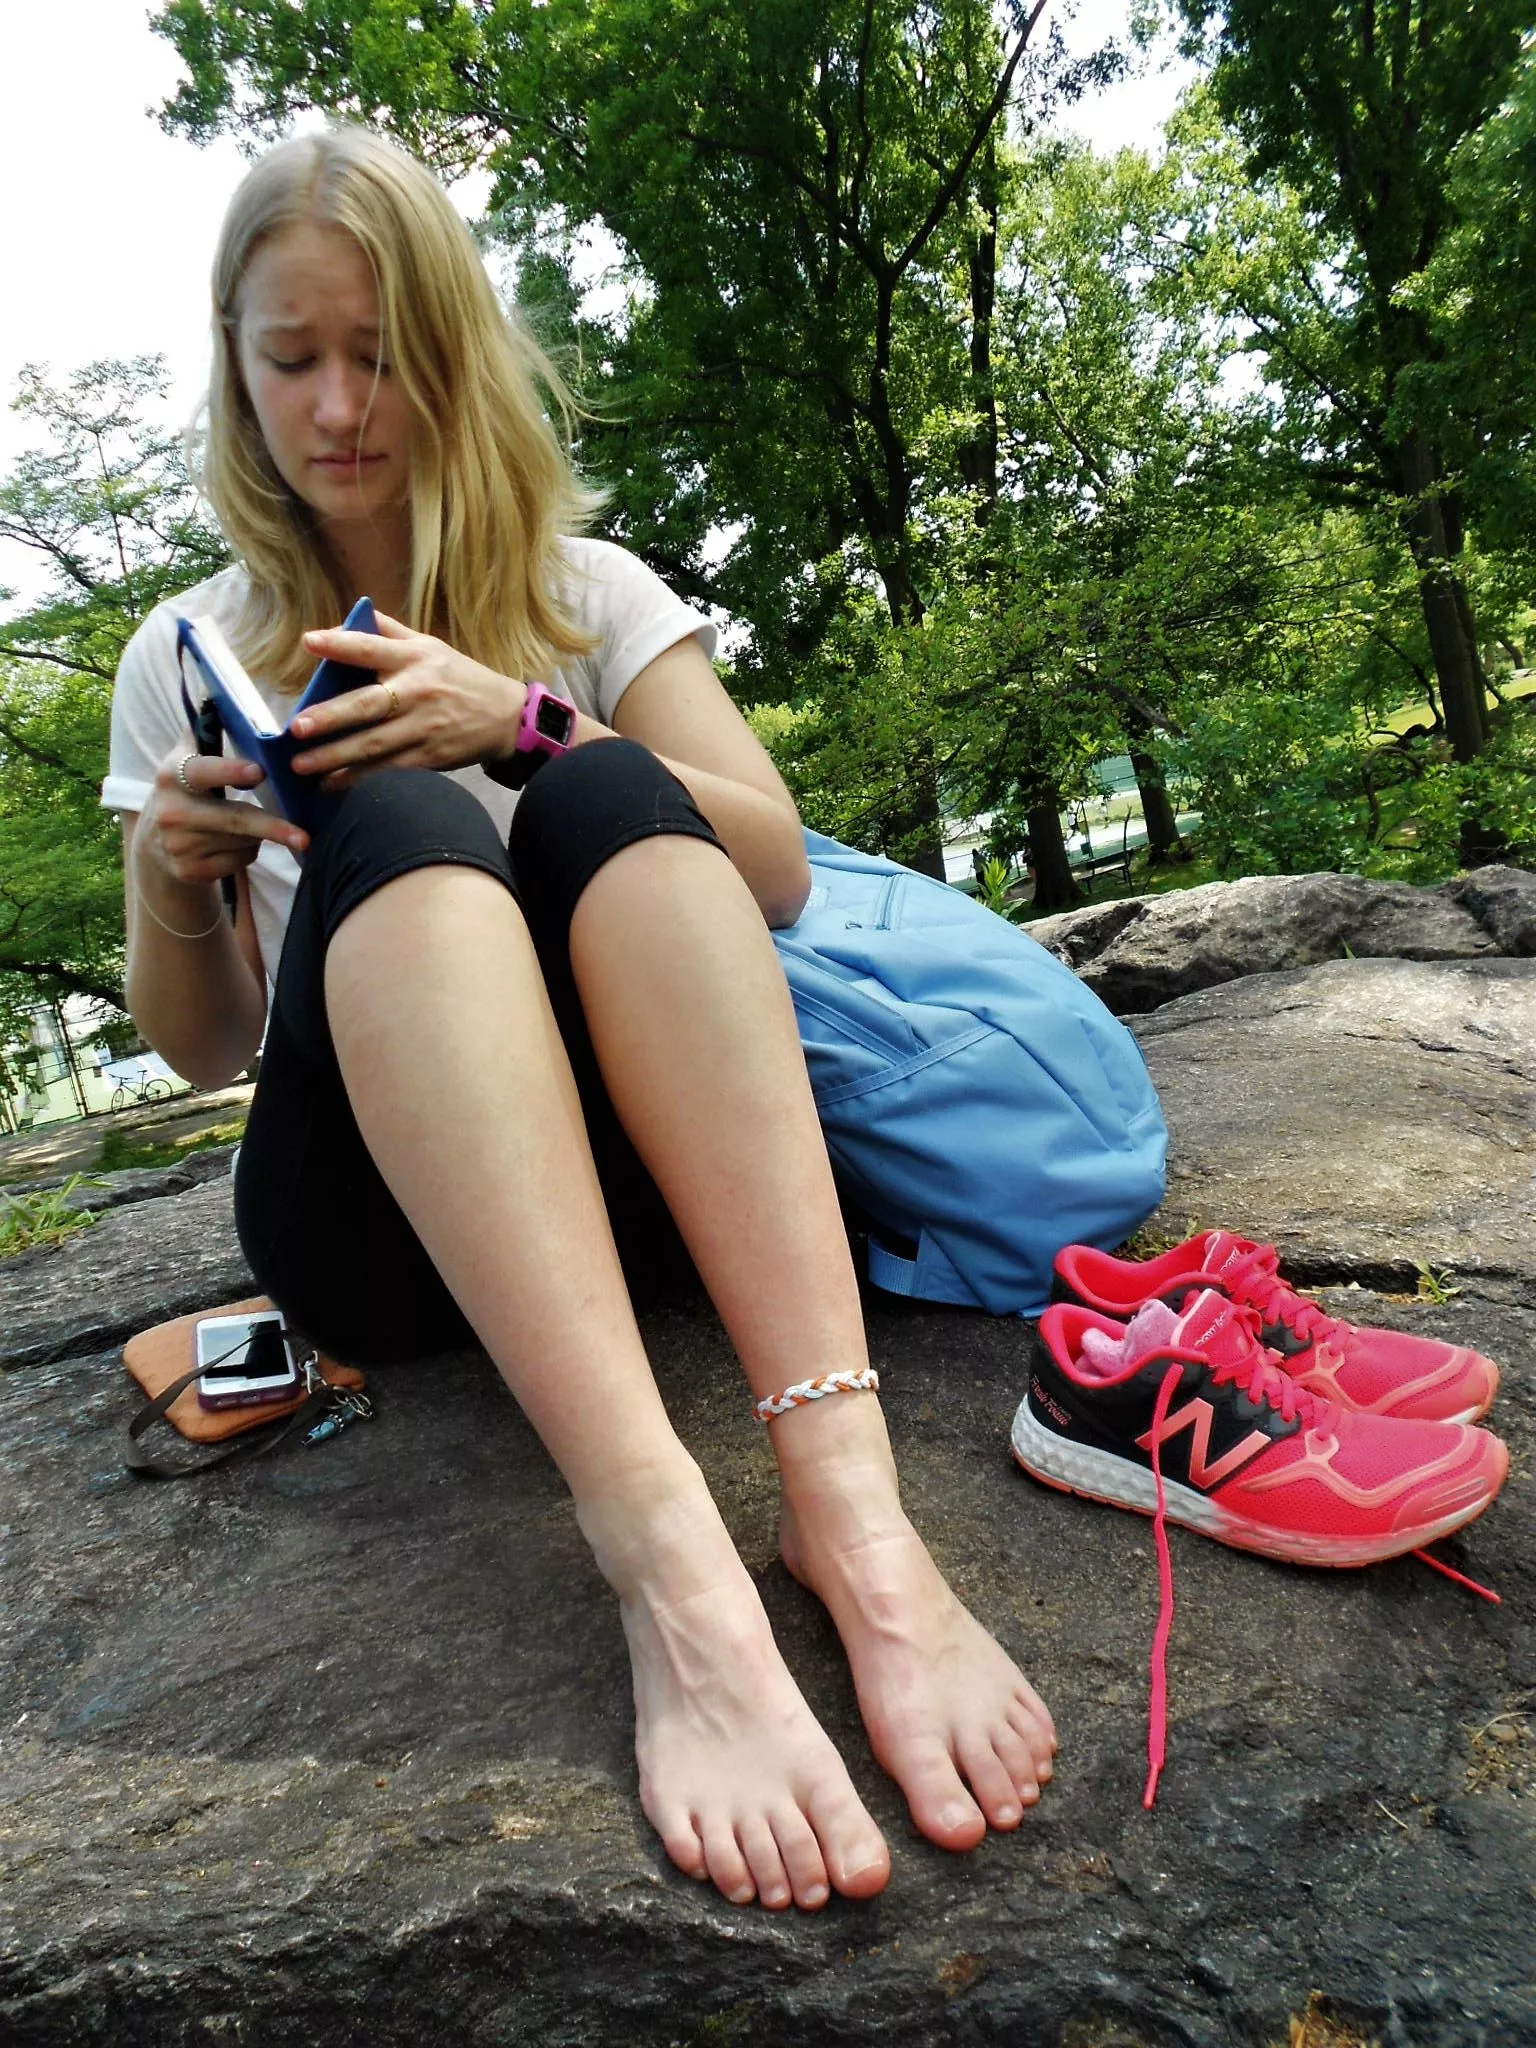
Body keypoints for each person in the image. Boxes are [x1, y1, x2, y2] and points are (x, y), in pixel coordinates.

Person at [104, 126, 1056, 1912]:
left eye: (379, 349)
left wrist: (522, 722)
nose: (336, 404)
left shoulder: (585, 590)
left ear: (453, 345)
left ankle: (851, 1517)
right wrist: (172, 872)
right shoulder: (188, 651)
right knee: (393, 821)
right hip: (393, 1237)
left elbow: (765, 863)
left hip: (643, 1190)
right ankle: (674, 1572)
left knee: (618, 798)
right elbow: (203, 1050)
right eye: (289, 354)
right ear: (232, 365)